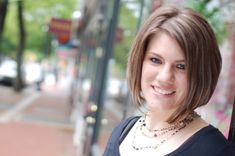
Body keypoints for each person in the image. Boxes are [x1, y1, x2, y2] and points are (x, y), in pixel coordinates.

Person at [103, 5, 235, 156]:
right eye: (155, 60)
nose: (165, 76)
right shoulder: (122, 132)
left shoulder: (215, 151)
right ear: (139, 62)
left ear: (202, 75)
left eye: (181, 66)